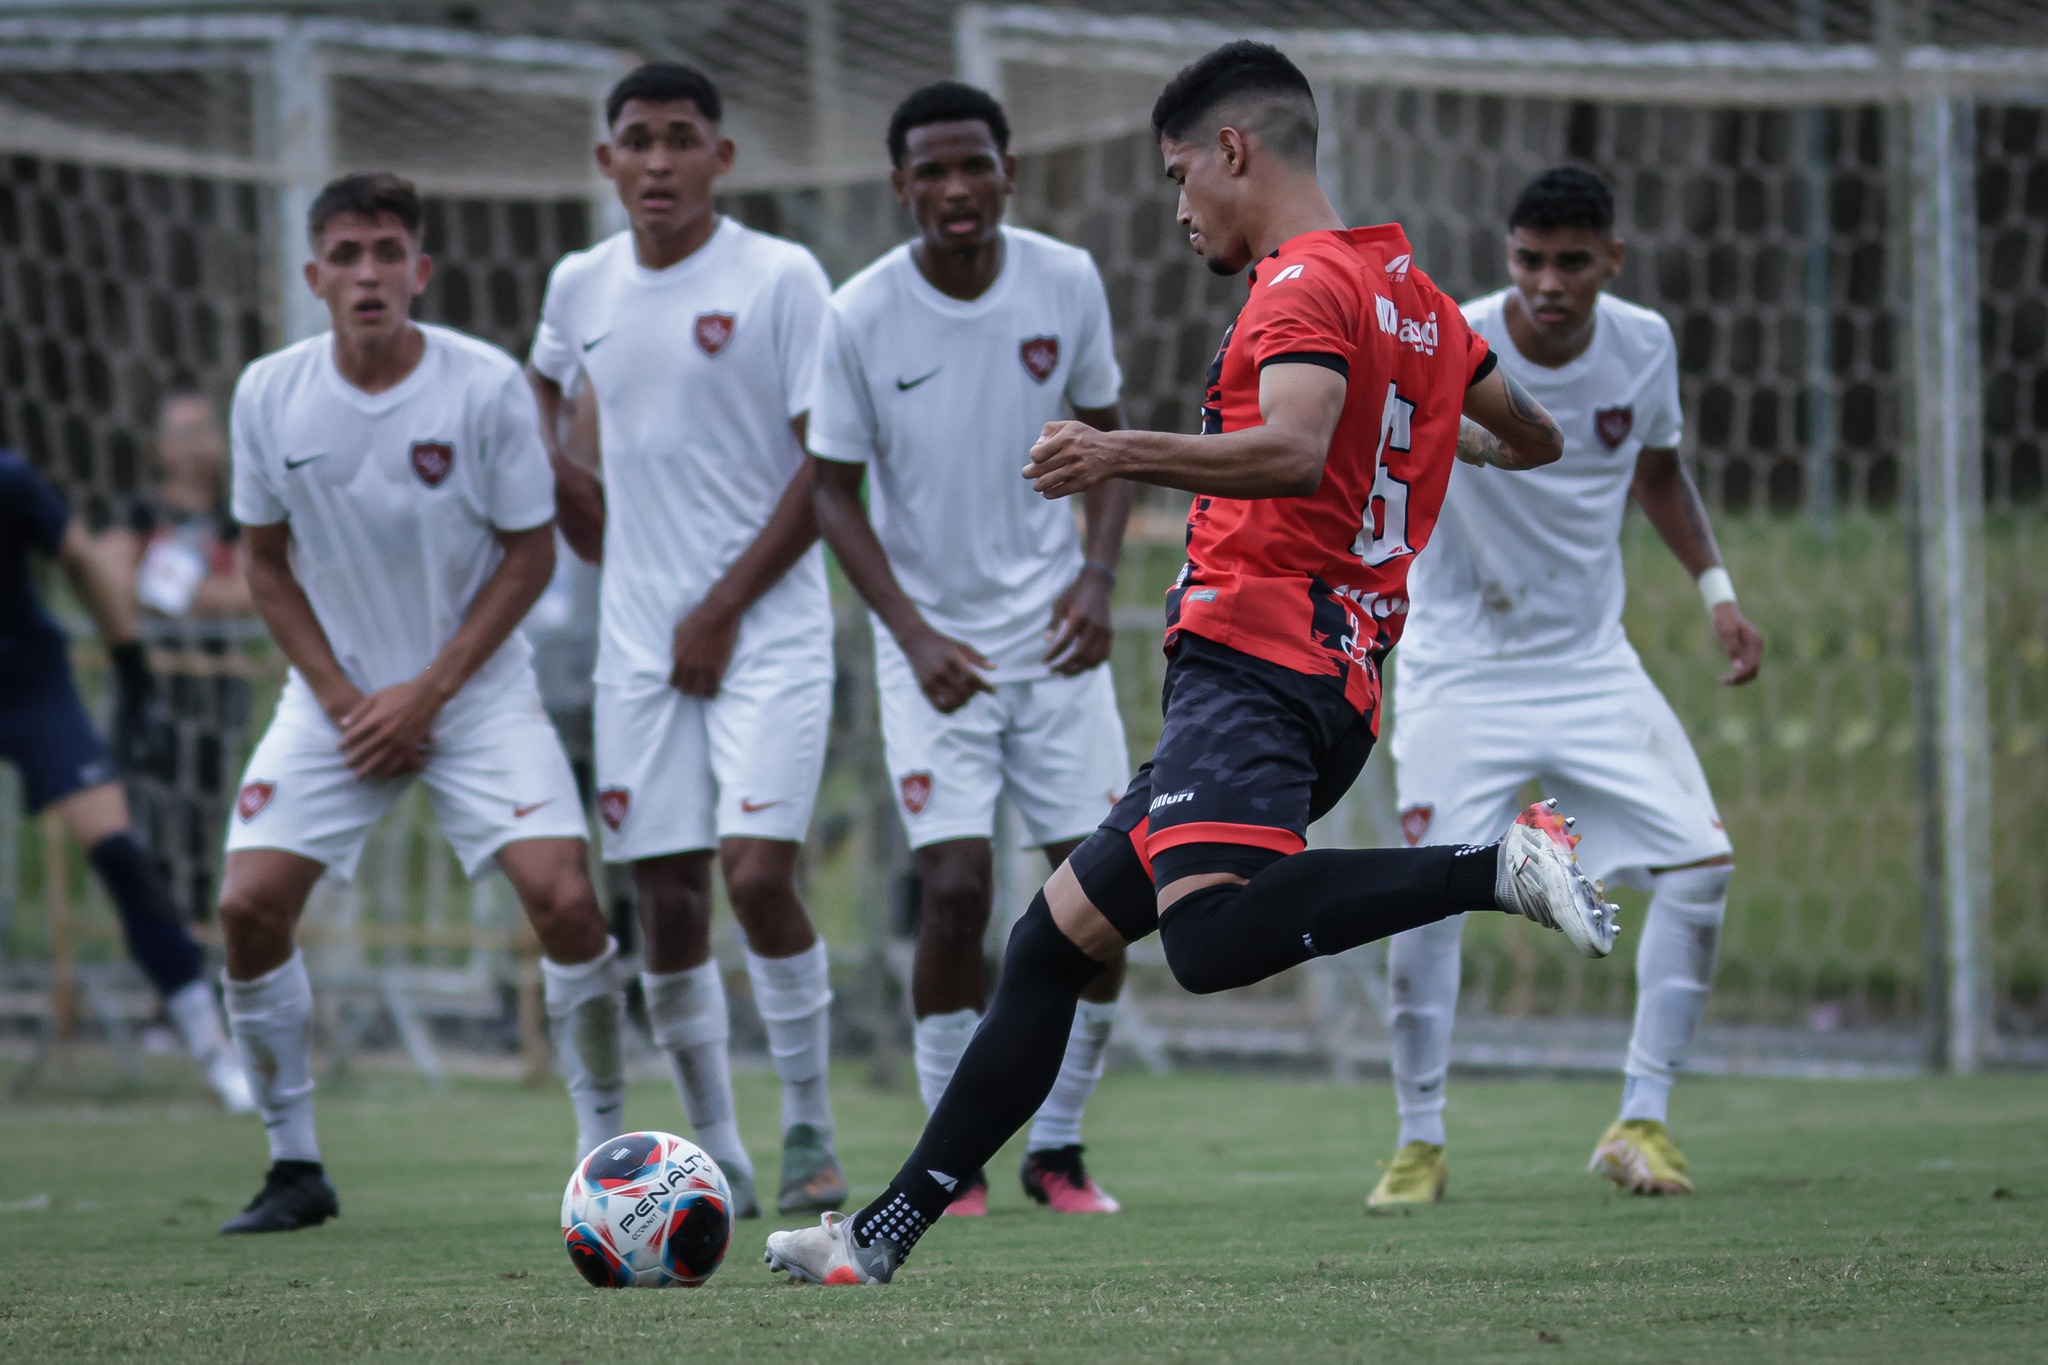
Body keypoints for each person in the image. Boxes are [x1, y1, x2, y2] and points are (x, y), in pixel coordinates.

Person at [765, 41, 1614, 1287]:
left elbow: (1287, 452)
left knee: (1207, 942)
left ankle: (1494, 864)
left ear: (1232, 152)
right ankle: (882, 1232)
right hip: (1321, 674)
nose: (1177, 209)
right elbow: (1532, 439)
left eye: (1179, 175)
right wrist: (1427, 430)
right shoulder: (1415, 299)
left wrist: (1119, 455)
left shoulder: (1297, 289)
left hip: (1259, 659)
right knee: (1050, 946)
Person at [216, 172, 627, 1235]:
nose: (367, 274)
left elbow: (532, 556)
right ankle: (293, 1165)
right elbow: (265, 565)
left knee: (567, 901)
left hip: (476, 695)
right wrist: (351, 696)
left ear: (421, 271)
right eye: (346, 255)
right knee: (246, 908)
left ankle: (607, 1159)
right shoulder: (268, 391)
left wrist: (429, 692)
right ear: (313, 275)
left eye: (386, 252)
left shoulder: (482, 385)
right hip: (335, 702)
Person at [1369, 166, 1765, 1206]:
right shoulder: (1447, 338)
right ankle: (1419, 1143)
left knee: (1702, 863)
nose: (1548, 281)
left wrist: (1716, 592)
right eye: (1529, 260)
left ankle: (1639, 1121)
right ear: (1508, 257)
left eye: (1571, 262)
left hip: (1589, 665)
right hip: (1460, 668)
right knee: (1421, 902)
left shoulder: (1642, 343)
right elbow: (1382, 453)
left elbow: (1658, 471)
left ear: (1609, 263)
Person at [810, 81, 1136, 1217]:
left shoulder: (1065, 280)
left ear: (1007, 172)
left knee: (1104, 895)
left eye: (974, 167)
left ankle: (1058, 1147)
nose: (955, 189)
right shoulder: (855, 314)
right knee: (952, 889)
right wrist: (909, 632)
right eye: (931, 172)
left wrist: (1096, 581)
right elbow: (829, 492)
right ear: (900, 186)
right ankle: (955, 1162)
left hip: (1055, 636)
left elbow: (1104, 440)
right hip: (931, 648)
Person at [527, 62, 845, 1219]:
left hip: (768, 632)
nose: (656, 160)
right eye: (635, 141)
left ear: (720, 158)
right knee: (663, 901)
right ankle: (718, 1150)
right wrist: (559, 469)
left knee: (756, 872)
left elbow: (828, 467)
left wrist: (720, 607)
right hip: (635, 647)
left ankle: (808, 1121)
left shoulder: (780, 277)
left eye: (679, 138)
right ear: (607, 161)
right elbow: (540, 387)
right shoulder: (580, 282)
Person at [1, 449, 249, 1112]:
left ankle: (211, 1048)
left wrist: (131, 666)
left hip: (29, 686)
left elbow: (81, 559)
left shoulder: (11, 478)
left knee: (120, 853)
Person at [99, 388, 257, 929]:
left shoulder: (237, 516)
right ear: (161, 448)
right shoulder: (139, 510)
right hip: (146, 689)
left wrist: (163, 590)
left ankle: (198, 962)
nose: (193, 446)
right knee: (142, 828)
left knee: (202, 827)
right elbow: (111, 578)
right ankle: (158, 971)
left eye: (202, 432)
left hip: (212, 694)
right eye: (180, 434)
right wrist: (202, 593)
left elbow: (250, 593)